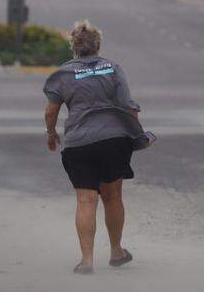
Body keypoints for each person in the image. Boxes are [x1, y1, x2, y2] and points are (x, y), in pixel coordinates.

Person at [43, 20, 146, 275]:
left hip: (79, 144)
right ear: (98, 45)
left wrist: (51, 134)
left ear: (74, 47)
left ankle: (87, 261)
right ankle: (116, 251)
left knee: (85, 200)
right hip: (113, 141)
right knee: (112, 197)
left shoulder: (63, 74)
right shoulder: (113, 68)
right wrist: (139, 135)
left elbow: (51, 111)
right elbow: (128, 107)